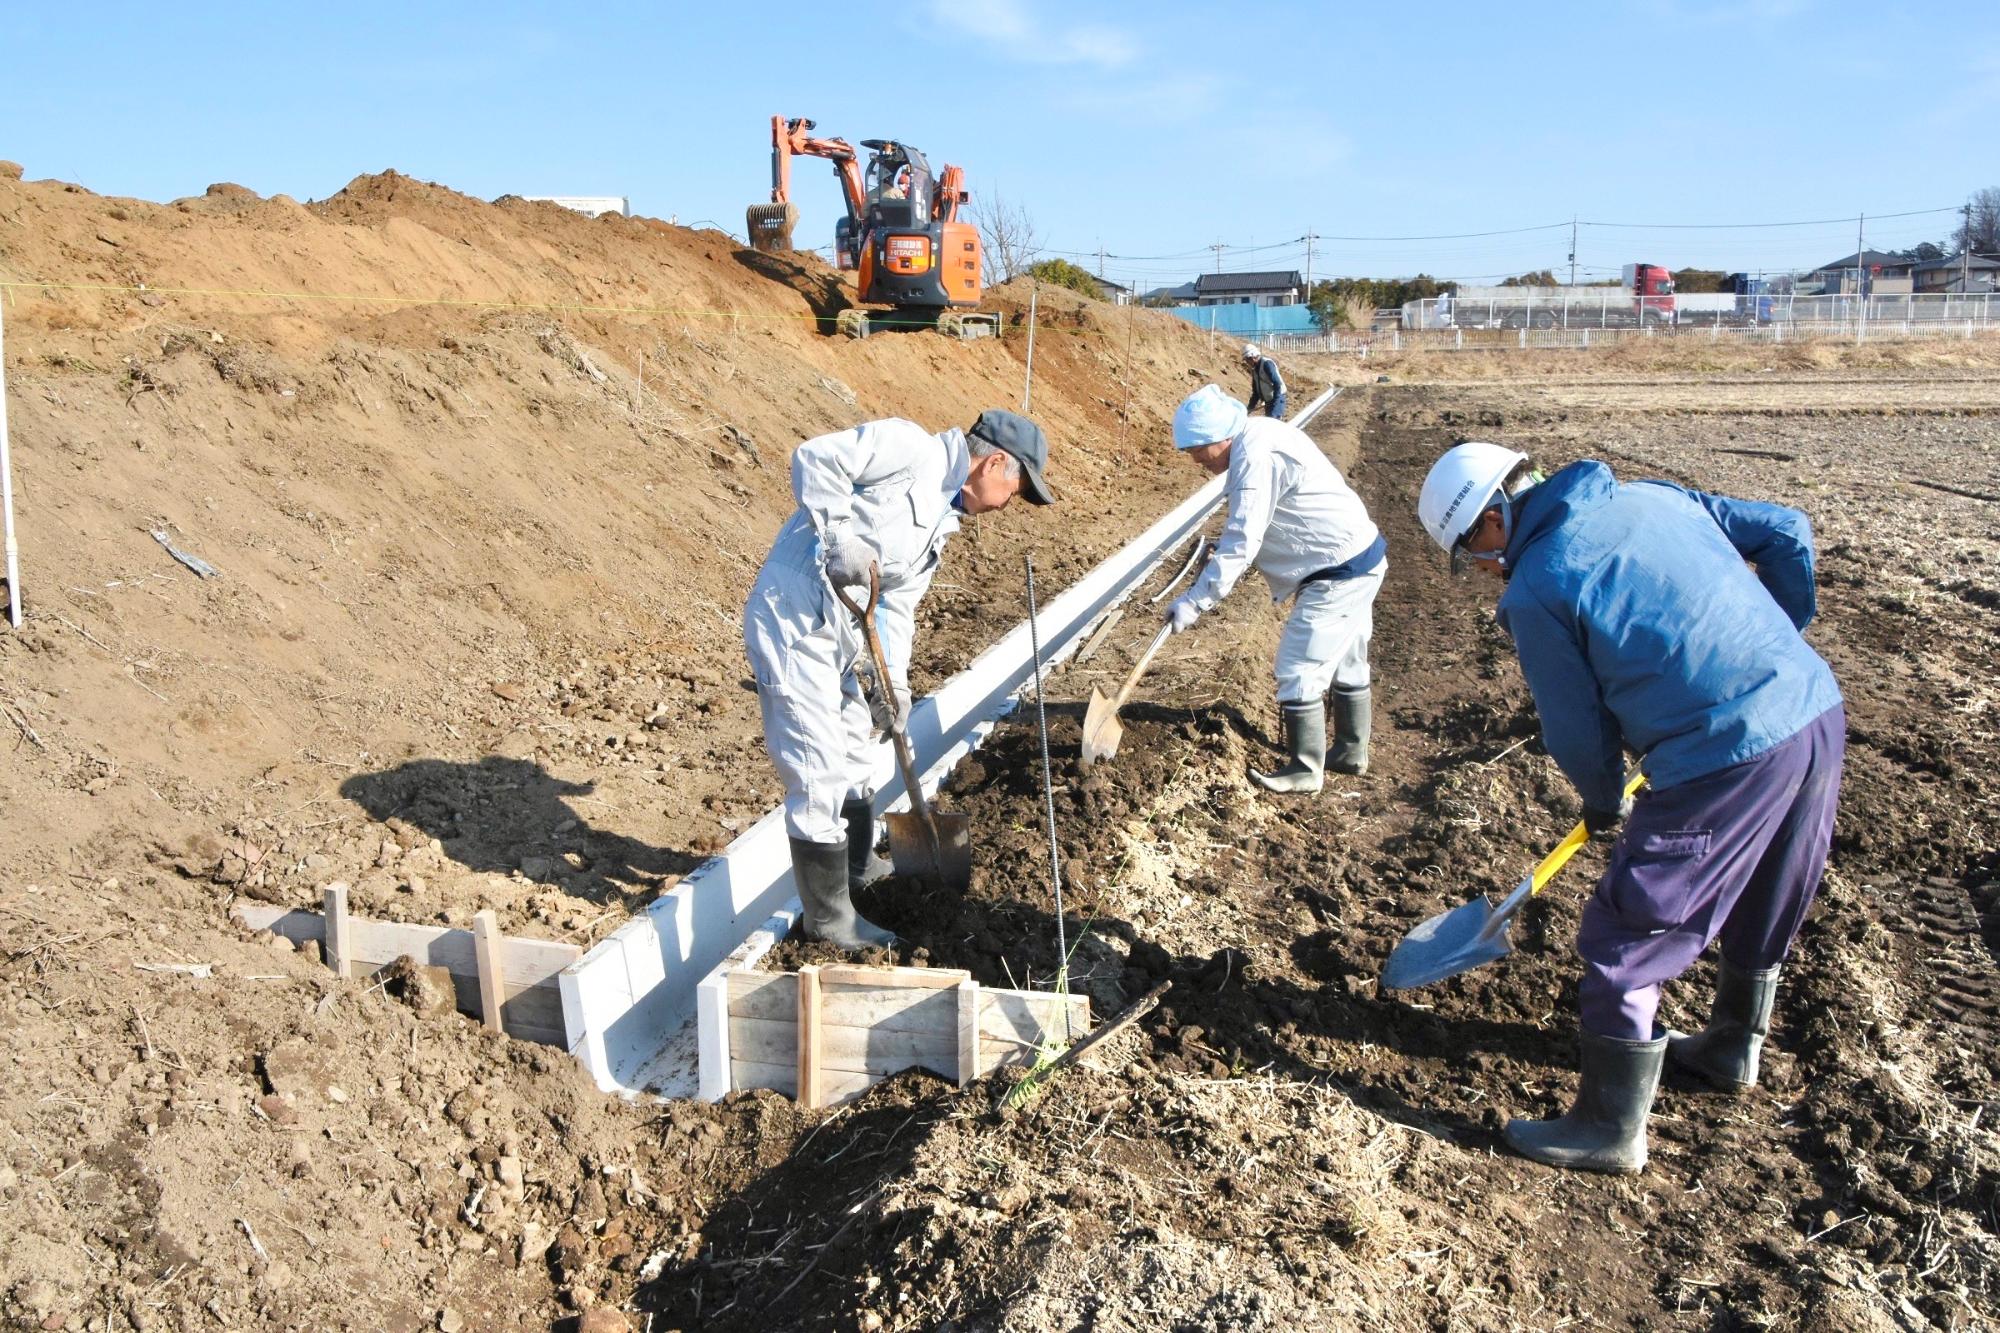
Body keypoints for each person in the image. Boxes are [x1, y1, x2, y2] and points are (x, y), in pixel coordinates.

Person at [1416, 442, 1845, 1174]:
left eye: (1472, 553)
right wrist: (1781, 638)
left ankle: (1609, 1126)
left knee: (1626, 929)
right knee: (1769, 888)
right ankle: (1732, 1047)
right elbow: (1787, 529)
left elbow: (1574, 726)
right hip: (1813, 711)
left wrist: (1603, 796)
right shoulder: (1653, 495)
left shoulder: (1539, 587)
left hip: (1722, 754)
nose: (1483, 572)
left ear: (1494, 520)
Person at [745, 411, 1056, 948]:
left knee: (857, 753)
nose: (1009, 504)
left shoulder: (942, 519)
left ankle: (858, 870)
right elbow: (816, 457)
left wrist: (897, 688)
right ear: (996, 462)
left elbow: (897, 607)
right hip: (794, 615)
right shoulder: (910, 449)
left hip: (844, 632)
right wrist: (839, 536)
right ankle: (829, 921)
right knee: (818, 768)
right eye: (1016, 489)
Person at [1165, 385, 1385, 793]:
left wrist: (1195, 602)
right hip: (1358, 555)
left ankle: (1305, 769)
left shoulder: (1254, 456)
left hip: (1337, 571)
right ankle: (1351, 752)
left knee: (1298, 667)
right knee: (1348, 659)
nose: (1195, 459)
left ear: (1222, 437)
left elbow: (1243, 539)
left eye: (1197, 449)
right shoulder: (1261, 432)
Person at [1243, 342, 1287, 419]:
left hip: (1277, 398)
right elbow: (1256, 393)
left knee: (1273, 422)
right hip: (1268, 401)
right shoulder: (1255, 370)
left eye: (1247, 360)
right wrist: (1249, 409)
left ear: (1252, 357)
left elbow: (1277, 384)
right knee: (1269, 423)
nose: (1247, 362)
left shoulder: (1267, 364)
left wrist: (1276, 403)